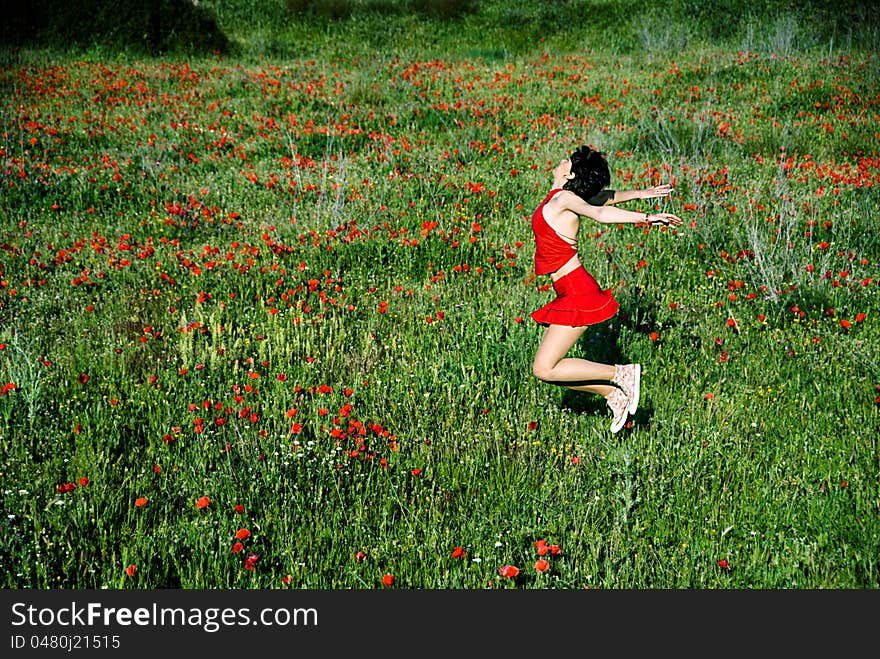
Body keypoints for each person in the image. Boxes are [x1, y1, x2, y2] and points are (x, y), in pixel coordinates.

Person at [530, 145, 683, 433]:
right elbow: (602, 199)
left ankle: (621, 374)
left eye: (568, 160)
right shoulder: (562, 197)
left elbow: (599, 213)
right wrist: (639, 193)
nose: (562, 160)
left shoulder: (565, 198)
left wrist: (647, 218)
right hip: (567, 289)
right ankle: (612, 393)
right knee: (547, 369)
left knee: (544, 368)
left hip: (577, 290)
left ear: (570, 173)